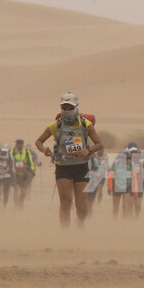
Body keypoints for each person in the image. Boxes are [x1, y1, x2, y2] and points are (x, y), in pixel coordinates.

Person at [35, 92, 103, 227]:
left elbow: (99, 144)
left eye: (70, 107)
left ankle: (80, 224)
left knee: (82, 205)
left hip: (81, 166)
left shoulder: (86, 124)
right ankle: (65, 233)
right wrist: (45, 151)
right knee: (65, 201)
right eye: (64, 107)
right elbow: (39, 141)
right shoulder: (55, 125)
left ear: (76, 107)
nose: (67, 110)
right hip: (63, 166)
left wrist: (88, 150)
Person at [108, 148, 136, 218]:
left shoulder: (131, 164)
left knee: (125, 206)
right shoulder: (116, 163)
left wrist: (135, 189)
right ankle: (115, 220)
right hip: (116, 186)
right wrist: (110, 187)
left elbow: (134, 177)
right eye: (125, 158)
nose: (126, 160)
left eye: (128, 158)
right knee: (115, 207)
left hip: (127, 186)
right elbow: (110, 175)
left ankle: (125, 222)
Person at [11, 138, 36, 208]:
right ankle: (15, 203)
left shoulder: (26, 152)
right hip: (15, 174)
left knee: (23, 190)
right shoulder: (12, 152)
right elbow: (9, 161)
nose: (19, 145)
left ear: (22, 144)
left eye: (20, 143)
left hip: (24, 174)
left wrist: (32, 170)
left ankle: (21, 202)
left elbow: (30, 162)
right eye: (18, 143)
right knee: (15, 189)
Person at [127, 142, 144, 217]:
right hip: (140, 179)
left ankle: (131, 215)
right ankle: (137, 215)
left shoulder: (128, 157)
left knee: (131, 197)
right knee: (139, 198)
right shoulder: (140, 156)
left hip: (132, 179)